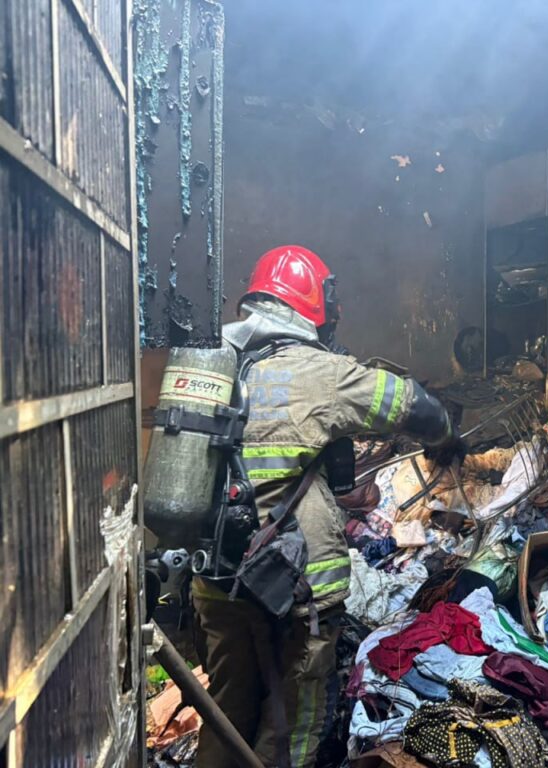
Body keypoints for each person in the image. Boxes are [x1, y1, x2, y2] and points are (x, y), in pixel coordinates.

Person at [193, 245, 464, 768]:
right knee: (292, 719)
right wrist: (447, 435)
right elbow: (410, 405)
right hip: (295, 590)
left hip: (217, 581)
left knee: (226, 711)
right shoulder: (319, 371)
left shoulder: (218, 367)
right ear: (313, 304)